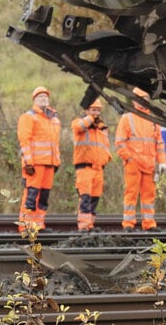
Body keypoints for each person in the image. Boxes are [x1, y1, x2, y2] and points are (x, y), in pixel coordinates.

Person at [115, 88, 166, 231]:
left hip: (149, 165)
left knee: (149, 196)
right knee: (131, 194)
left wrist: (162, 161)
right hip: (134, 165)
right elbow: (119, 143)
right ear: (134, 100)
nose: (143, 102)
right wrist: (130, 159)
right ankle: (128, 224)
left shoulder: (153, 120)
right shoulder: (127, 118)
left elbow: (159, 143)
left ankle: (149, 224)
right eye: (140, 99)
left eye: (145, 99)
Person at [17, 86, 61, 232]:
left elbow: (55, 142)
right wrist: (28, 162)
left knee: (43, 198)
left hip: (50, 164)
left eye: (45, 96)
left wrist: (57, 161)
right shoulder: (29, 117)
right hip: (35, 164)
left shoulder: (53, 119)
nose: (43, 98)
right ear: (34, 99)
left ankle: (38, 225)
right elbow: (25, 140)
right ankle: (26, 226)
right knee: (31, 196)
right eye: (40, 96)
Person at [71, 97, 112, 231]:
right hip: (85, 168)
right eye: (93, 110)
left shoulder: (102, 128)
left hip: (99, 168)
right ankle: (83, 226)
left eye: (98, 110)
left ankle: (90, 225)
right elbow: (80, 126)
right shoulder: (79, 123)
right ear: (87, 110)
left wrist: (106, 159)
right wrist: (90, 118)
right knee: (85, 198)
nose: (96, 113)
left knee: (94, 198)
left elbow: (106, 146)